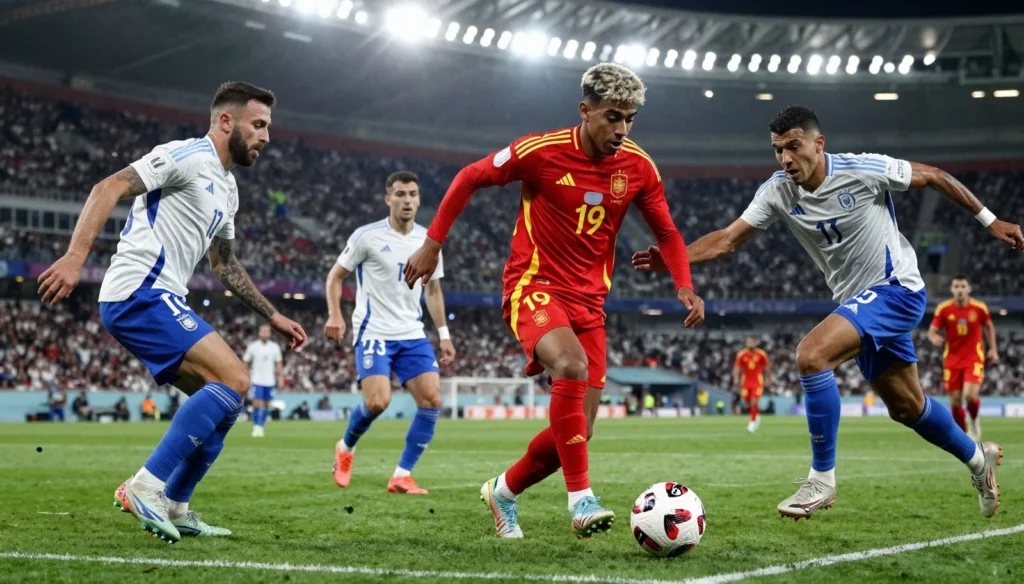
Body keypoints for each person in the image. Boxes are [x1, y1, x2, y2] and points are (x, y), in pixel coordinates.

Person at [633, 105, 1022, 520]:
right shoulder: (778, 189)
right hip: (857, 302)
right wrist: (676, 263)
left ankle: (821, 478)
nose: (785, 159)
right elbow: (727, 240)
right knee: (908, 408)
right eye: (778, 149)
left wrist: (990, 220)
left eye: (794, 147)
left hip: (897, 290)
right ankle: (978, 460)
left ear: (819, 144)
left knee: (811, 354)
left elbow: (936, 176)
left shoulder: (863, 169)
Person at [403, 63, 704, 538]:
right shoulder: (540, 152)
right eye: (612, 117)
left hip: (590, 303)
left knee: (577, 430)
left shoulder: (638, 168)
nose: (622, 130)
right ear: (585, 111)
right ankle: (581, 499)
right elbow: (468, 178)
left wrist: (683, 282)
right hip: (533, 285)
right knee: (571, 366)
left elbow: (666, 231)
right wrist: (433, 242)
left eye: (630, 119)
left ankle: (502, 492)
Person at [36, 81, 307, 543]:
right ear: (226, 121)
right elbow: (110, 187)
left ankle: (177, 505)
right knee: (236, 379)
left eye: (268, 127)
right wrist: (76, 256)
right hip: (139, 290)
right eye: (258, 125)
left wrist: (273, 315)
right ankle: (144, 486)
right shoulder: (186, 156)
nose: (266, 136)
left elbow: (224, 264)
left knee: (226, 403)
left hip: (161, 298)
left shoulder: (229, 189)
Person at [325, 171, 456, 495]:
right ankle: (345, 448)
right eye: (400, 194)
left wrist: (444, 334)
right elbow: (335, 277)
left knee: (432, 400)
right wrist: (335, 315)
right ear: (389, 199)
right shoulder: (366, 236)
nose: (407, 200)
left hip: (411, 332)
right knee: (378, 402)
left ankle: (401, 475)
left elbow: (434, 290)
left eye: (412, 194)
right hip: (374, 332)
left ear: (419, 199)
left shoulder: (429, 242)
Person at [928, 276, 998, 441]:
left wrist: (993, 350)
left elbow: (989, 327)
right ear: (952, 289)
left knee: (970, 395)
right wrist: (933, 337)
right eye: (956, 286)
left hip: (974, 356)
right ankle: (963, 435)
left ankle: (973, 420)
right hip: (952, 359)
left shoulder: (979, 308)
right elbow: (932, 330)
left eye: (963, 286)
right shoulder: (944, 309)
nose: (959, 289)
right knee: (955, 403)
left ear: (969, 288)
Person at [243, 323, 284, 438]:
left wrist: (280, 377)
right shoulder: (253, 346)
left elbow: (279, 363)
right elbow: (246, 362)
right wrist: (245, 376)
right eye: (263, 331)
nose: (265, 333)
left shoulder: (275, 347)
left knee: (266, 404)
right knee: (256, 403)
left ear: (270, 333)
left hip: (269, 380)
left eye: (267, 331)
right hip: (256, 379)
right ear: (259, 333)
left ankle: (260, 426)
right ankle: (256, 426)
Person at [733, 337, 770, 433]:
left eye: (752, 342)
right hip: (745, 381)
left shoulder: (761, 354)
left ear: (755, 343)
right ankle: (755, 415)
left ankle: (752, 422)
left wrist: (769, 380)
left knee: (754, 401)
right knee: (747, 401)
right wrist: (736, 379)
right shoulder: (742, 354)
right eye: (748, 342)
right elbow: (737, 367)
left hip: (757, 381)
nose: (750, 344)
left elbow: (766, 368)